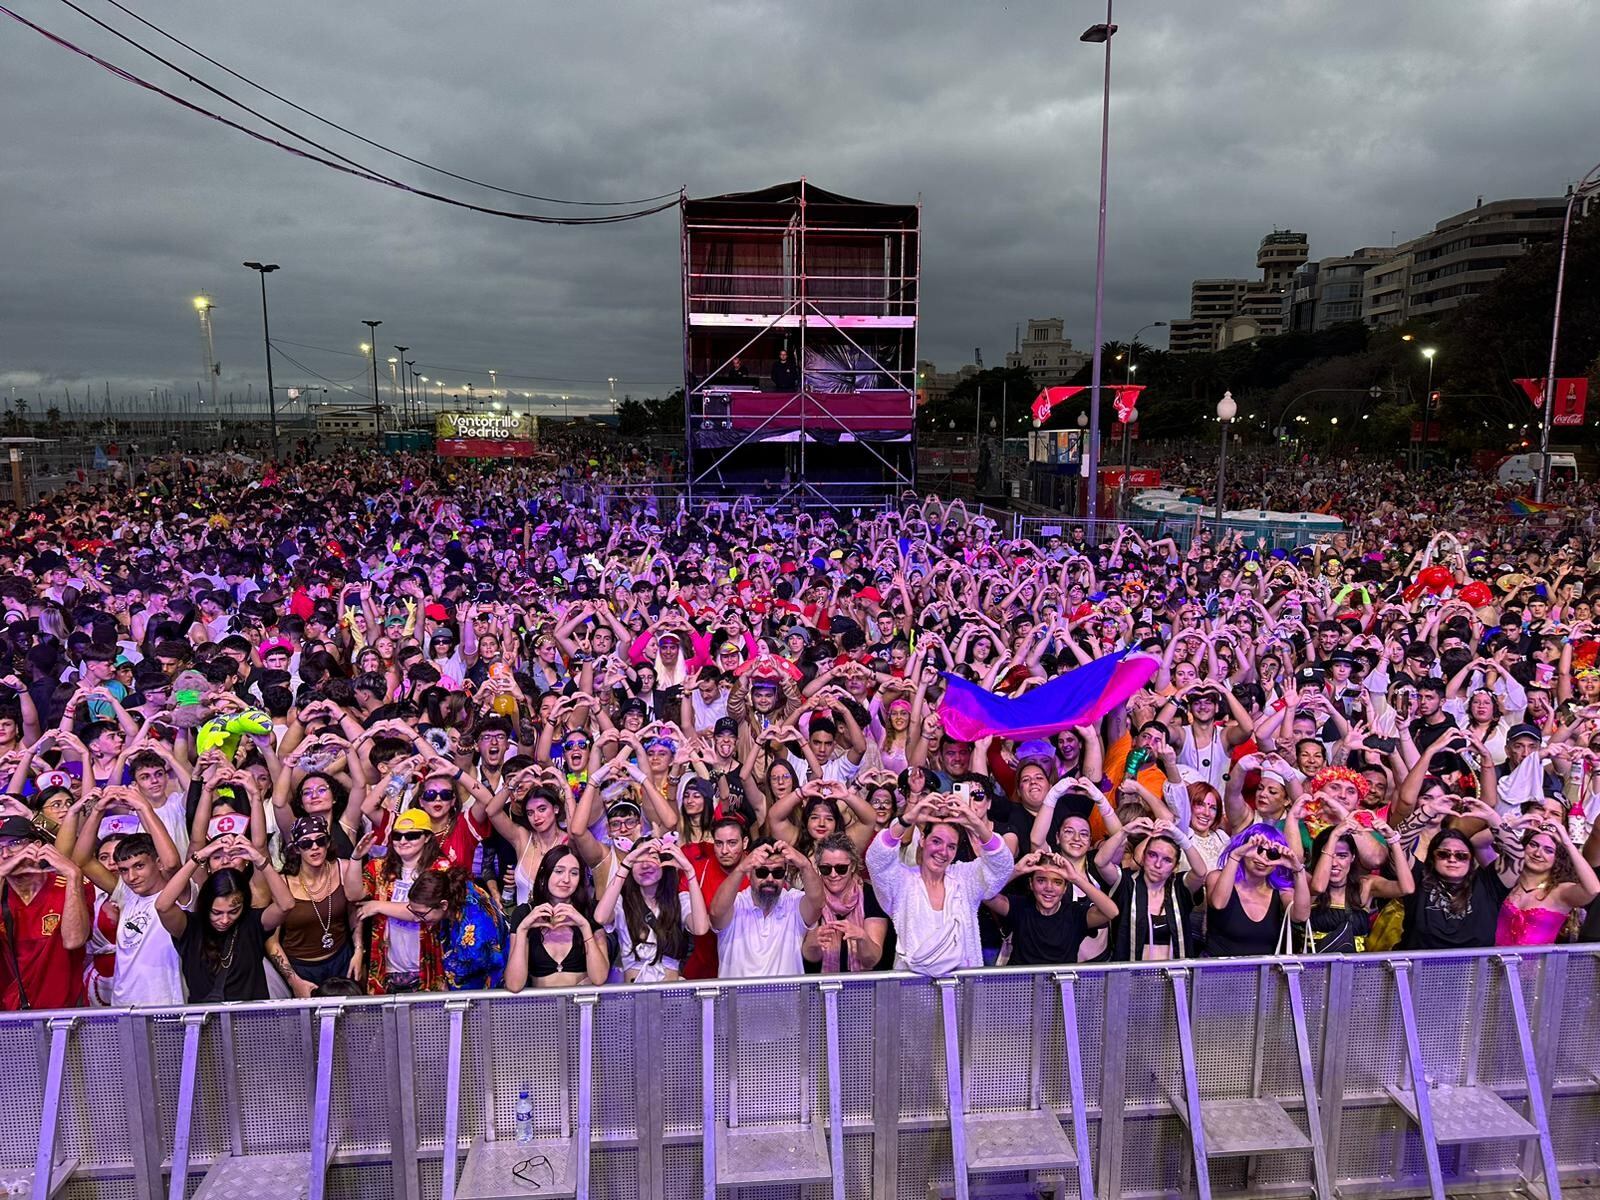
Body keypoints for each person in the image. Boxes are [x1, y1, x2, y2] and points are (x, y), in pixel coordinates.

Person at [866, 791, 1014, 974]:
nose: (943, 852)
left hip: (963, 990)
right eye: (936, 841)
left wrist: (975, 823)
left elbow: (1001, 866)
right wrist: (907, 819)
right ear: (922, 840)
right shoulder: (901, 881)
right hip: (914, 991)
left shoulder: (965, 879)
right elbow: (876, 860)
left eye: (951, 846)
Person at [154, 833, 295, 1002]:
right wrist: (199, 857)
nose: (225, 920)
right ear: (206, 905)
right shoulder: (190, 927)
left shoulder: (253, 923)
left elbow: (286, 905)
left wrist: (261, 860)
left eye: (233, 911)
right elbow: (162, 906)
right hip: (207, 1022)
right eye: (217, 912)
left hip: (252, 1022)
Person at [0, 816, 91, 1010]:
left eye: (14, 844)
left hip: (65, 1012)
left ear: (37, 845)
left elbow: (74, 940)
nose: (6, 854)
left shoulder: (68, 886)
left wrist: (74, 875)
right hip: (10, 1016)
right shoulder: (3, 894)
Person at [593, 835, 709, 983]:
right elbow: (600, 917)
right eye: (638, 859)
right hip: (634, 995)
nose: (645, 865)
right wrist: (626, 862)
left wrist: (689, 871)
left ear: (665, 862)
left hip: (671, 996)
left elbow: (701, 928)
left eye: (653, 857)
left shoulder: (679, 900)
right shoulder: (621, 902)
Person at [271, 815, 365, 997]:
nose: (315, 847)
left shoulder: (343, 868)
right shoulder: (283, 883)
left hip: (342, 959)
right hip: (302, 968)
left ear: (328, 843)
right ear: (297, 849)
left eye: (320, 841)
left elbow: (355, 910)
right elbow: (271, 940)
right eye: (306, 843)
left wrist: (359, 950)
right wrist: (293, 980)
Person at [709, 837, 823, 978]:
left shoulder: (794, 902)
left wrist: (805, 865)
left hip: (786, 999)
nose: (770, 879)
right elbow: (715, 913)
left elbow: (818, 904)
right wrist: (740, 868)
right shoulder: (735, 904)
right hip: (736, 999)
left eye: (777, 873)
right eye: (762, 872)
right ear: (749, 873)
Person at [504, 845, 609, 990]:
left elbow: (599, 978)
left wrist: (584, 926)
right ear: (544, 874)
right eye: (559, 871)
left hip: (583, 1006)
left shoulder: (590, 911)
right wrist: (522, 930)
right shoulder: (523, 913)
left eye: (574, 873)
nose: (566, 879)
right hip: (540, 1008)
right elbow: (514, 985)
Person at [1202, 823, 1311, 957]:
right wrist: (1236, 856)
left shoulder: (1280, 890)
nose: (1263, 857)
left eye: (1272, 853)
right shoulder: (1216, 877)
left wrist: (1297, 870)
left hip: (1263, 974)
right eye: (1258, 849)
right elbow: (1218, 903)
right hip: (1217, 972)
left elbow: (1301, 916)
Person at [800, 833, 888, 973]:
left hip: (861, 989)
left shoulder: (871, 896)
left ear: (852, 866)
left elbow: (872, 959)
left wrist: (862, 937)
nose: (833, 875)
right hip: (819, 987)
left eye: (841, 868)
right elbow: (809, 957)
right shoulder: (809, 895)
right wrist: (813, 943)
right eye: (826, 869)